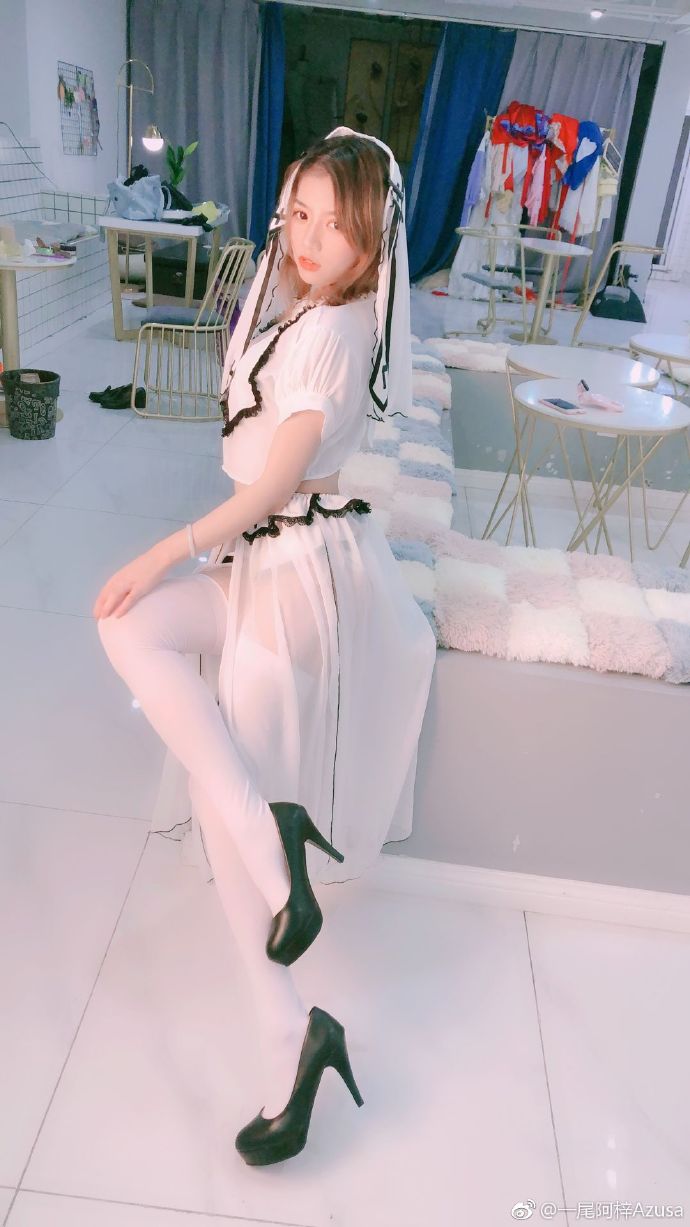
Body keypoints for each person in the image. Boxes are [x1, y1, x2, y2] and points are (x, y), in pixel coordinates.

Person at [94, 127, 437, 1168]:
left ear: (372, 243)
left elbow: (277, 482)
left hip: (296, 577)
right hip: (265, 564)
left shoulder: (334, 328)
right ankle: (271, 861)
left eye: (336, 226)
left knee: (216, 784)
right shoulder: (302, 307)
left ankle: (287, 1020)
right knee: (137, 641)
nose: (309, 239)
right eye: (300, 214)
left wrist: (164, 550)